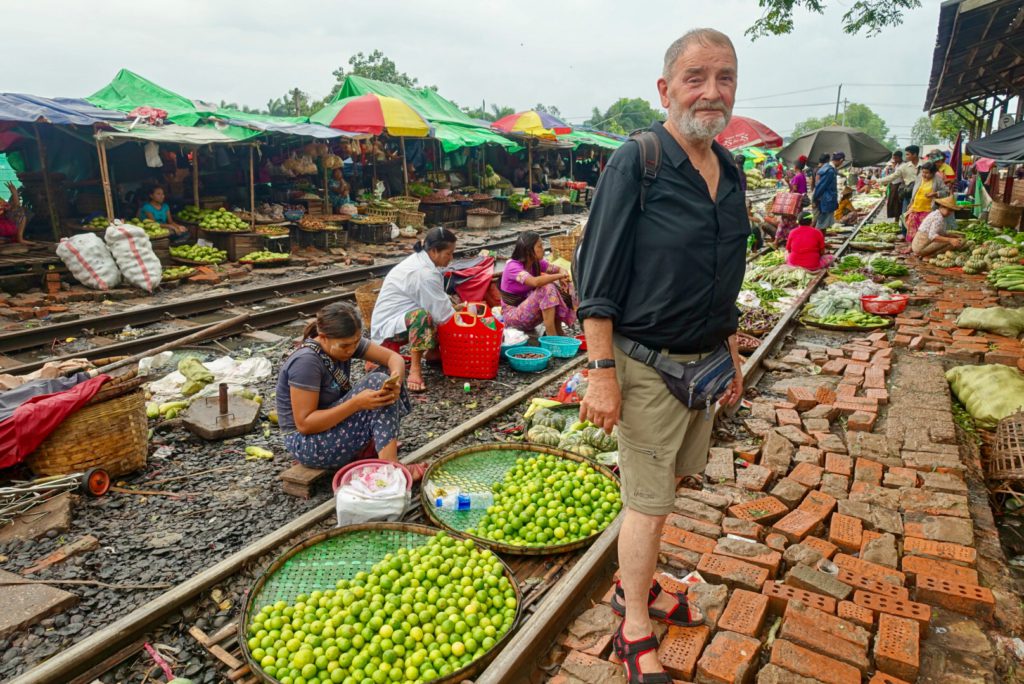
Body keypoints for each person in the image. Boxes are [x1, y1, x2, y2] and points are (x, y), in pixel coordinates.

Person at [575, 28, 747, 681]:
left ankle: (637, 585)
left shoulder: (728, 170)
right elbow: (597, 280)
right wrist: (601, 374)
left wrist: (730, 350)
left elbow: (724, 271)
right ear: (666, 88)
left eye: (724, 77)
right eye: (696, 77)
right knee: (645, 503)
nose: (711, 91)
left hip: (701, 364)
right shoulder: (638, 161)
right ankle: (634, 623)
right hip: (645, 365)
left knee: (667, 487)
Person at [276, 302, 421, 477]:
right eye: (345, 346)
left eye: (355, 343)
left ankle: (382, 457)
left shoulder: (346, 343)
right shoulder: (306, 362)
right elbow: (305, 424)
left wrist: (395, 380)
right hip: (307, 444)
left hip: (330, 427)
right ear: (323, 337)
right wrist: (356, 404)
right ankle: (390, 472)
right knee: (377, 380)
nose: (351, 350)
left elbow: (393, 357)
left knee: (385, 376)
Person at [371, 227, 457, 393]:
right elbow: (443, 315)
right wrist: (462, 320)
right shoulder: (423, 272)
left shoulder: (424, 262)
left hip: (399, 319)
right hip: (387, 330)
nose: (451, 258)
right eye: (449, 253)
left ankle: (432, 353)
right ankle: (415, 371)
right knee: (424, 317)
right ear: (433, 251)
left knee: (436, 309)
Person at [499, 231, 576, 336]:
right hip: (513, 318)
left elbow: (559, 269)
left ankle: (559, 331)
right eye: (540, 246)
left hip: (530, 314)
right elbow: (535, 282)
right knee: (547, 287)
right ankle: (551, 336)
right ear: (528, 250)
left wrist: (564, 277)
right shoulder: (512, 267)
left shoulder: (536, 263)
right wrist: (559, 276)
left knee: (564, 286)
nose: (543, 249)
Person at [904, 161, 948, 242]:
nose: (924, 175)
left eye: (927, 173)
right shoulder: (920, 177)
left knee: (923, 230)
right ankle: (911, 246)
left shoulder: (937, 180)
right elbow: (915, 191)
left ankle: (920, 247)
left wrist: (935, 193)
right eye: (923, 172)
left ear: (933, 173)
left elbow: (946, 191)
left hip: (928, 210)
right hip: (915, 207)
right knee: (912, 228)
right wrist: (911, 202)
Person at [874, 151, 915, 220]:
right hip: (894, 185)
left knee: (898, 205)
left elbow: (894, 176)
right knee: (894, 204)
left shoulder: (903, 166)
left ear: (899, 157)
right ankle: (897, 219)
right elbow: (892, 176)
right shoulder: (897, 165)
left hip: (899, 187)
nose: (894, 160)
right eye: (893, 158)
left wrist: (878, 181)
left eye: (896, 158)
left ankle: (899, 220)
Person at [813, 151, 842, 230]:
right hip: (826, 201)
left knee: (824, 225)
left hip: (827, 200)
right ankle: (818, 241)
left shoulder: (829, 169)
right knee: (822, 224)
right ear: (841, 160)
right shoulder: (829, 171)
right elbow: (821, 186)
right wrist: (815, 199)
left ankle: (821, 241)